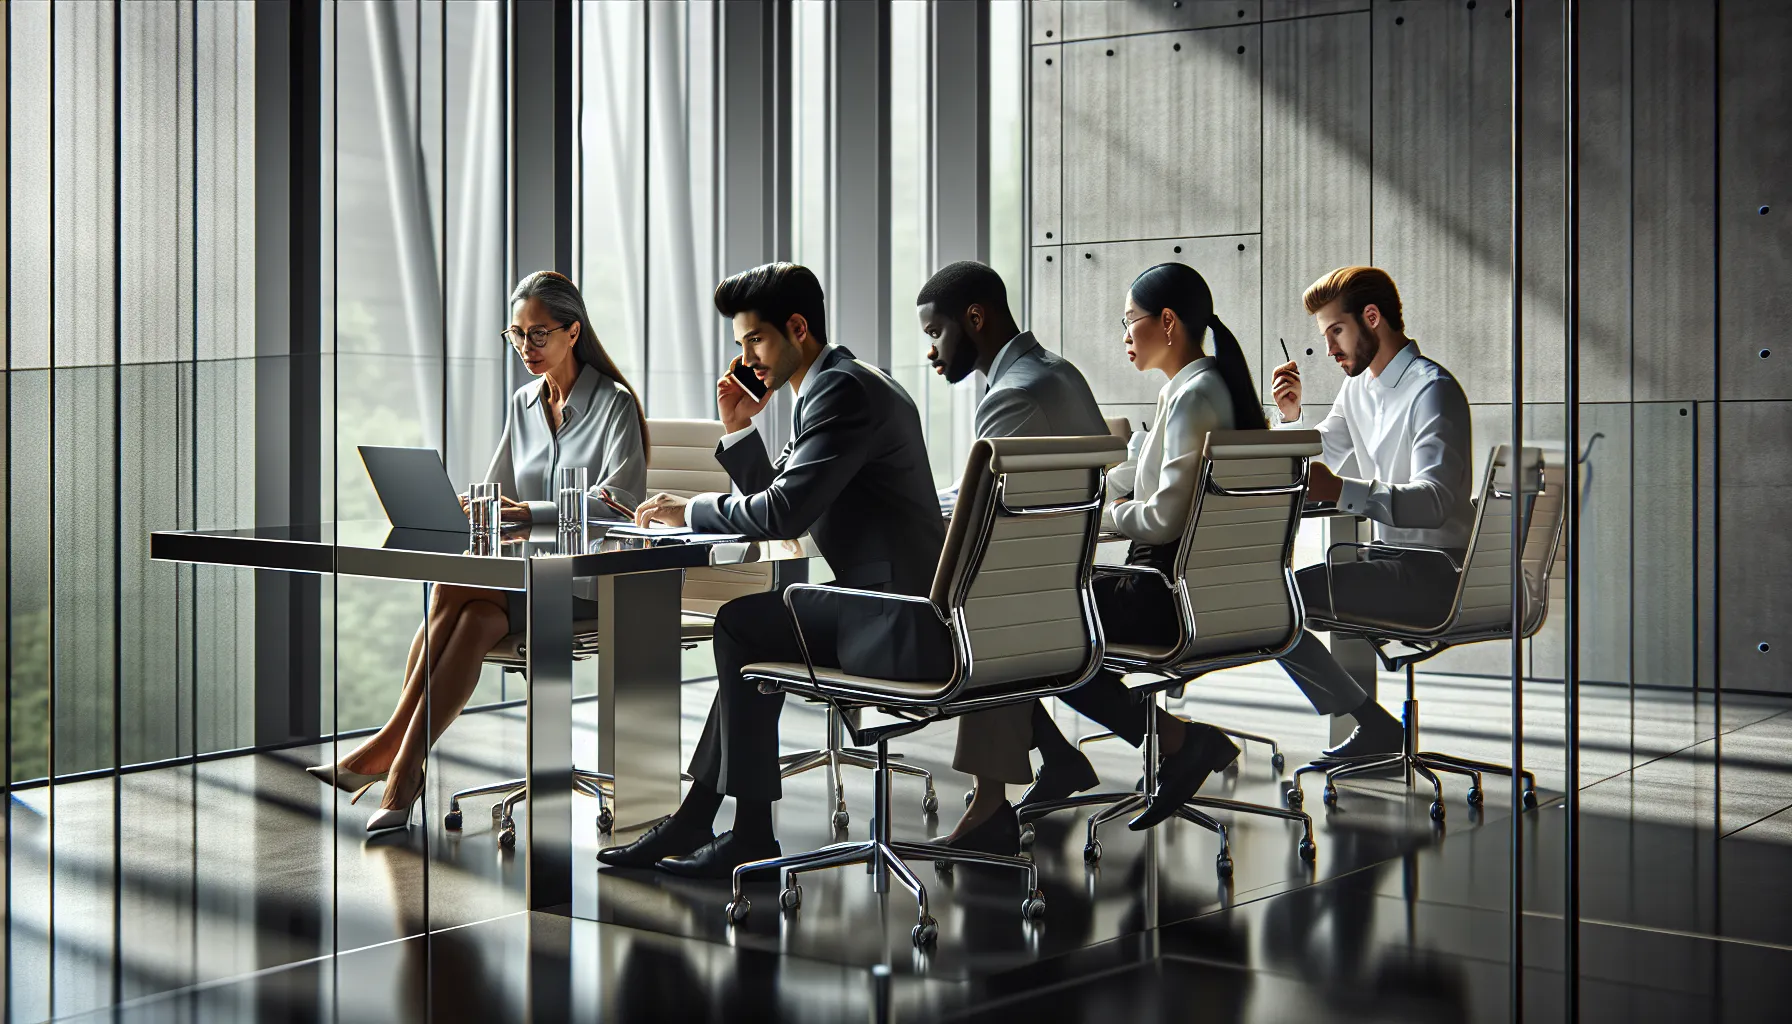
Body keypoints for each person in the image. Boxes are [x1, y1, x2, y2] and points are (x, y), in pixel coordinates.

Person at [597, 262, 948, 878]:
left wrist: (692, 509)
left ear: (797, 327)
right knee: (750, 629)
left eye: (756, 340)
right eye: (741, 345)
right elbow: (787, 510)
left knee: (741, 625)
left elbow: (783, 511)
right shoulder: (845, 382)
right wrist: (738, 430)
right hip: (893, 601)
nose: (748, 358)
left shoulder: (841, 393)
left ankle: (745, 829)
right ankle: (702, 818)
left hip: (899, 617)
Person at [307, 270, 648, 833]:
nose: (525, 348)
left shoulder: (614, 404)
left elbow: (620, 504)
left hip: (588, 585)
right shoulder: (523, 403)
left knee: (452, 589)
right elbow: (497, 490)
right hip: (522, 582)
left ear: (572, 332)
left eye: (538, 334)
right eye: (515, 335)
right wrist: (471, 506)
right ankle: (403, 767)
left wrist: (528, 513)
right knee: (474, 621)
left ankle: (389, 752)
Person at [945, 262, 1276, 840]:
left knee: (1020, 616)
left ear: (1167, 323)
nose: (1124, 336)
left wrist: (1096, 518)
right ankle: (1114, 749)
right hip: (1188, 589)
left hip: (1163, 593)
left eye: (1130, 322)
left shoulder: (1195, 394)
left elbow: (1162, 517)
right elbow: (1138, 481)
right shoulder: (1200, 387)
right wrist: (1091, 493)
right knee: (1030, 614)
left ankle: (1173, 742)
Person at [912, 260, 1113, 852]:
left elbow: (985, 519)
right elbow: (998, 492)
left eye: (934, 334)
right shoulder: (1058, 373)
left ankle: (989, 803)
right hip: (1064, 576)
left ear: (974, 318)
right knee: (984, 612)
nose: (931, 352)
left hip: (1037, 596)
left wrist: (926, 520)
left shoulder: (1011, 394)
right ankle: (1051, 758)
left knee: (960, 619)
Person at [1265, 266, 1472, 761]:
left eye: (1337, 331)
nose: (1330, 348)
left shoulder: (1432, 390)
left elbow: (1436, 499)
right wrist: (1290, 417)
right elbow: (1322, 450)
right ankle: (1373, 725)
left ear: (1372, 317)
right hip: (1389, 559)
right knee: (1275, 599)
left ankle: (1374, 727)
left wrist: (1342, 490)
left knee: (1275, 602)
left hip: (1438, 572)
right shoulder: (1359, 389)